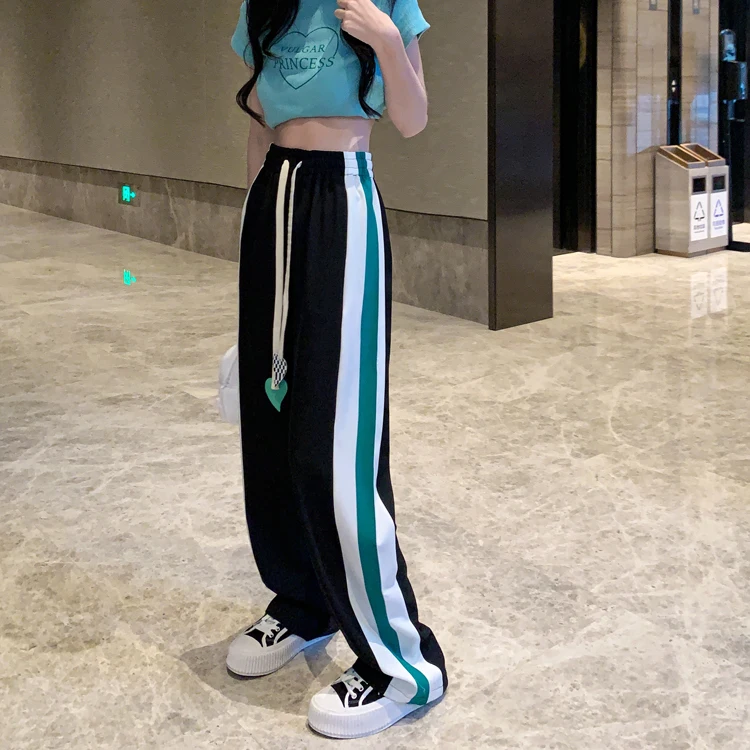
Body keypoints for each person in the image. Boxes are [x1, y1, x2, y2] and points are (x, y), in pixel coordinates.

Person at [227, 0, 447, 739]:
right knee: (271, 424)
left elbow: (413, 118)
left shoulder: (384, 5)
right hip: (273, 205)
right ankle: (303, 602)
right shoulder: (265, 6)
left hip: (342, 202)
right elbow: (259, 125)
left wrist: (385, 39)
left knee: (335, 442)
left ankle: (404, 666)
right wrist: (253, 234)